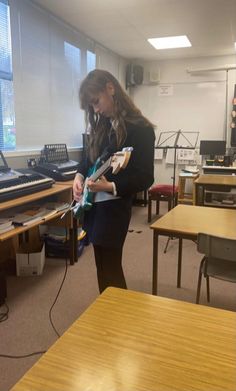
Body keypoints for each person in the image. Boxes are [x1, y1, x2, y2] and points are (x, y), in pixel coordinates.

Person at [73, 69, 155, 293]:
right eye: (92, 106)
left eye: (97, 102)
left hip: (114, 208)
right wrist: (79, 176)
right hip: (93, 206)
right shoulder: (103, 125)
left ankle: (120, 320)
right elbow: (88, 157)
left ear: (111, 88)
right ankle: (107, 314)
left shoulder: (142, 129)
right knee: (101, 265)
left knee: (111, 268)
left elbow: (146, 177)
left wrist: (110, 186)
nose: (96, 109)